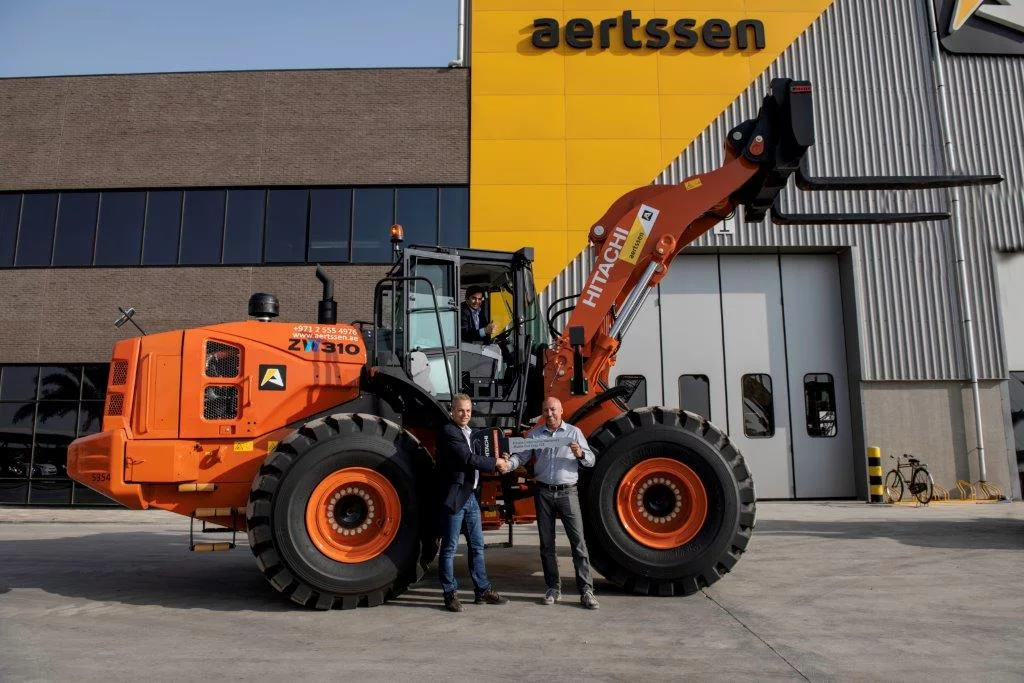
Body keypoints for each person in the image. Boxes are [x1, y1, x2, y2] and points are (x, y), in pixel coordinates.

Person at [505, 396, 599, 609]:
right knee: (547, 545)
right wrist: (508, 464)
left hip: (568, 493)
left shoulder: (574, 433)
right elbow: (521, 456)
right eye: (546, 410)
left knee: (578, 543)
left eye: (553, 409)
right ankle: (553, 588)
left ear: (561, 411)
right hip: (544, 493)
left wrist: (580, 453)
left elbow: (591, 460)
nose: (549, 414)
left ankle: (586, 590)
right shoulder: (535, 434)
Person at [436, 393, 511, 612]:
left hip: (470, 496)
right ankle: (450, 595)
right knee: (449, 548)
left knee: (477, 546)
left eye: (468, 411)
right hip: (455, 497)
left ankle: (482, 591)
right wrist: (495, 462)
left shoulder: (471, 433)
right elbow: (467, 459)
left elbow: (483, 453)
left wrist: (502, 456)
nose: (465, 414)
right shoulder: (449, 431)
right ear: (452, 411)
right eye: (460, 410)